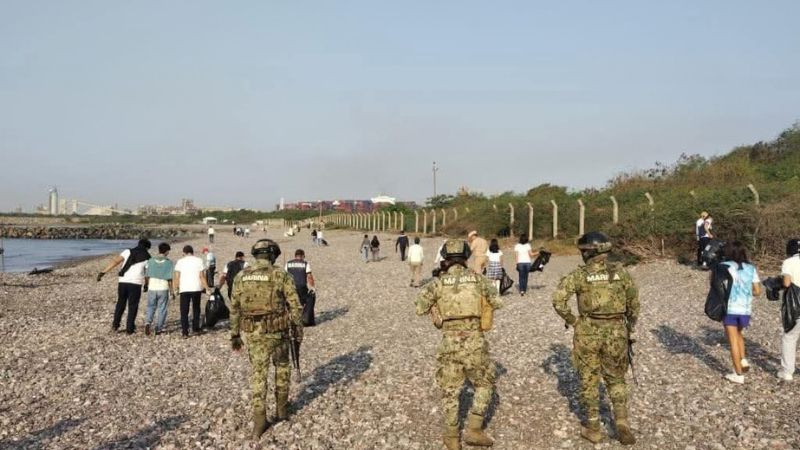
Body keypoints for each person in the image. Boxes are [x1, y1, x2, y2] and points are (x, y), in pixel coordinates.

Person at [552, 231, 640, 445]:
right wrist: (629, 327)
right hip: (617, 329)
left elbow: (558, 301)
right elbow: (634, 304)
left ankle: (593, 429)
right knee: (616, 378)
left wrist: (573, 321)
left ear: (587, 253)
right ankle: (622, 422)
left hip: (588, 330)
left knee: (589, 380)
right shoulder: (621, 273)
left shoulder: (579, 275)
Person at [415, 239, 503, 450]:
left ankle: (452, 437)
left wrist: (436, 309)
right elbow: (497, 302)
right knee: (484, 383)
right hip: (475, 341)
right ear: (466, 257)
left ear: (446, 258)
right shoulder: (478, 280)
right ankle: (474, 429)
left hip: (449, 342)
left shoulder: (437, 283)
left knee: (450, 390)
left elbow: (419, 308)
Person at [230, 239, 303, 439]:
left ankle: (259, 420)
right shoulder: (281, 275)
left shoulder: (241, 276)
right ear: (272, 255)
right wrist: (297, 328)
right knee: (282, 368)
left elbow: (234, 308)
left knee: (258, 375)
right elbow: (295, 305)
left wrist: (234, 334)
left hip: (254, 335)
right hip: (278, 333)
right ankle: (282, 409)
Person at [718, 241, 762, 384]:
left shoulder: (724, 266)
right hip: (745, 309)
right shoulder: (751, 268)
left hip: (730, 308)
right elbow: (757, 291)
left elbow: (717, 286)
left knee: (732, 341)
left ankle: (738, 374)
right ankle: (743, 360)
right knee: (739, 334)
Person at [97, 238, 152, 334]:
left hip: (123, 281)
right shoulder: (148, 257)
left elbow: (115, 261)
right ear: (147, 248)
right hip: (136, 283)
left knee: (120, 303)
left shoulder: (127, 251)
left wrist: (103, 272)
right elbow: (147, 274)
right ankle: (130, 329)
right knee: (133, 306)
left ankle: (115, 325)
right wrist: (146, 284)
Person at [173, 245, 209, 338]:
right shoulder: (199, 260)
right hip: (196, 288)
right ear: (192, 252)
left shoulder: (180, 261)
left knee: (184, 311)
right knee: (196, 309)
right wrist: (207, 288)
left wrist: (176, 288)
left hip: (184, 288)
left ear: (184, 253)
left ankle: (185, 332)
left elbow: (177, 276)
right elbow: (202, 276)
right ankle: (195, 328)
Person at [779, 238, 800, 381]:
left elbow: (786, 283)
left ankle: (787, 371)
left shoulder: (789, 262)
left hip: (796, 303)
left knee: (790, 336)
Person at [143, 243, 174, 336]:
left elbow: (147, 275)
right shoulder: (169, 262)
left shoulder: (151, 261)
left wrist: (146, 285)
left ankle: (148, 322)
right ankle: (158, 328)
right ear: (167, 251)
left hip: (152, 287)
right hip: (163, 287)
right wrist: (172, 291)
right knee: (162, 308)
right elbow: (170, 279)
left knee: (150, 306)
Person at [285, 249, 316, 326]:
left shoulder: (288, 263)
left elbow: (285, 276)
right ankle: (304, 319)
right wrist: (312, 287)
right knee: (304, 302)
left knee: (292, 303)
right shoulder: (305, 263)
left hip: (291, 287)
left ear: (295, 256)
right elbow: (309, 276)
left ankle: (292, 320)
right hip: (302, 286)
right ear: (302, 256)